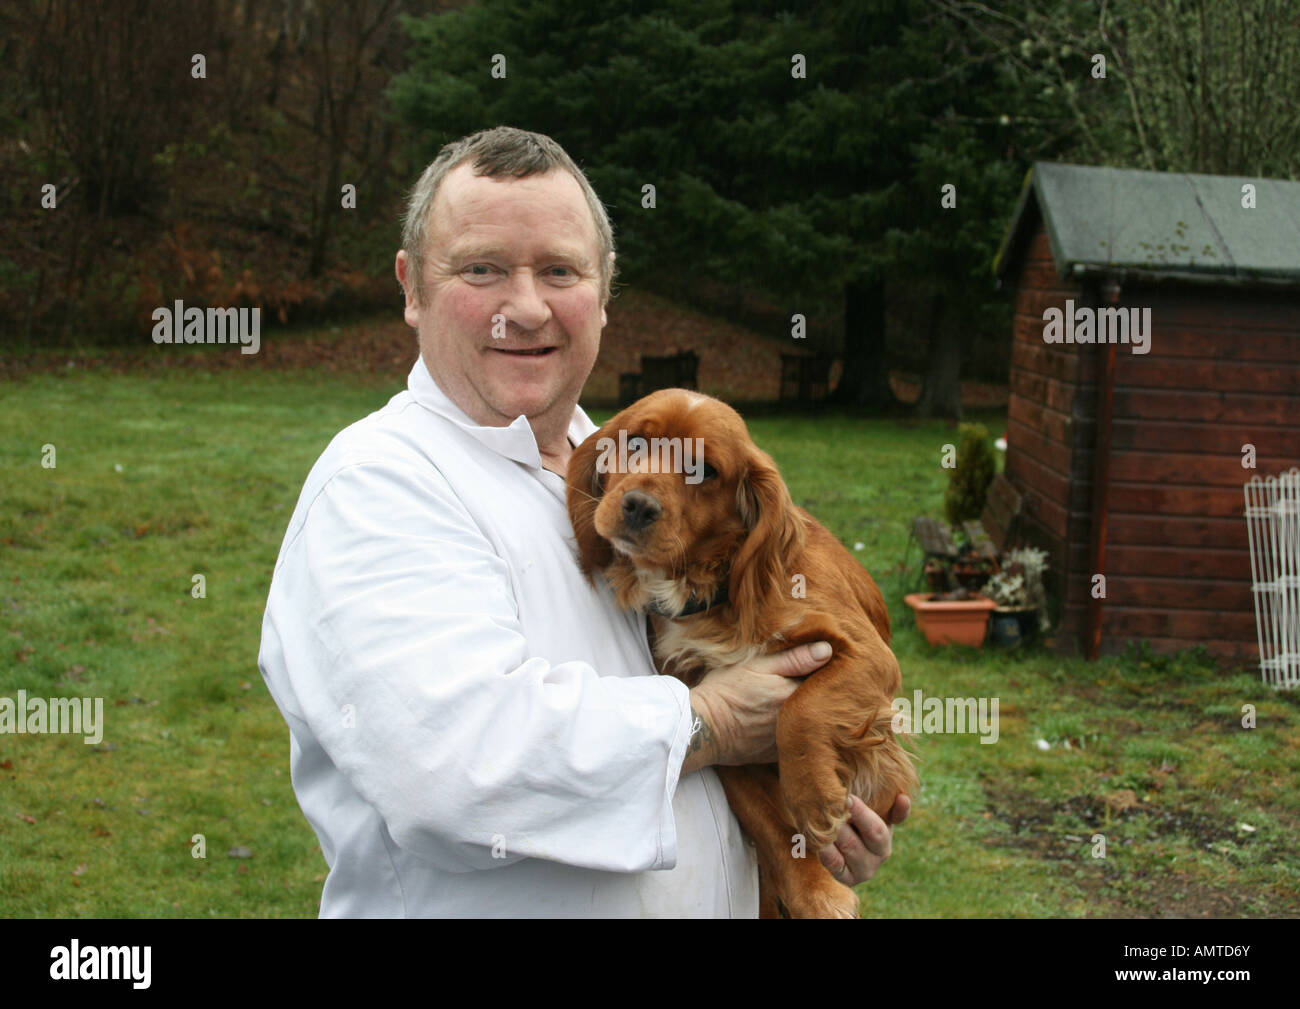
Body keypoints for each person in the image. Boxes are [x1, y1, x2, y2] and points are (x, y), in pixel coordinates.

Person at [256, 125, 908, 918]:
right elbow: (454, 770)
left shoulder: (618, 473)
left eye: (560, 270)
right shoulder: (380, 485)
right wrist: (715, 722)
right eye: (482, 268)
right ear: (412, 287)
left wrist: (818, 822)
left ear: (603, 293)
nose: (525, 307)